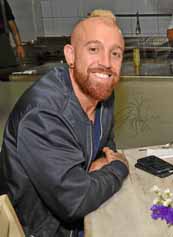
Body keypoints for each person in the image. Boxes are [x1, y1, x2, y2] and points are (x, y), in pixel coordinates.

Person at [0, 11, 129, 236]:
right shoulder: (43, 114)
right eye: (93, 49)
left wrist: (93, 175)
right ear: (70, 55)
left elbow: (107, 149)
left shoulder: (101, 90)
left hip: (85, 216)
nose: (106, 63)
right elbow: (75, 201)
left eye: (115, 53)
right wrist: (119, 167)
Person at [0, 0, 25, 68]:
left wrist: (19, 45)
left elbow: (12, 25)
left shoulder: (2, 2)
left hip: (3, 43)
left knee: (9, 72)